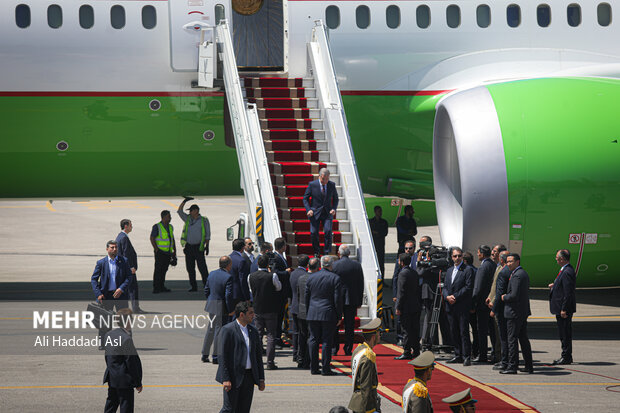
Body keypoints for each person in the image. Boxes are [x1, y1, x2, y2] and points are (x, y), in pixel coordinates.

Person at [216, 301, 265, 413]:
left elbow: (258, 357)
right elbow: (223, 357)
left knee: (244, 409)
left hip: (248, 377)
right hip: (233, 376)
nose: (253, 315)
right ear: (242, 315)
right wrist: (226, 378)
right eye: (251, 313)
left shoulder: (253, 331)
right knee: (228, 409)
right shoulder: (228, 330)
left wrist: (261, 379)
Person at [91, 240, 132, 349]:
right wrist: (98, 293)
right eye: (112, 247)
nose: (114, 249)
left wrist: (121, 289)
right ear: (107, 249)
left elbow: (129, 277)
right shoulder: (101, 263)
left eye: (116, 247)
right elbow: (94, 279)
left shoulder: (124, 261)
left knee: (124, 319)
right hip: (106, 296)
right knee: (104, 320)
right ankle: (102, 343)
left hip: (120, 295)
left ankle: (127, 342)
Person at [305, 255, 342, 375]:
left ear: (321, 265)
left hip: (313, 312)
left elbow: (306, 297)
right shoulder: (335, 278)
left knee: (313, 339)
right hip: (328, 312)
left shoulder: (311, 277)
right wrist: (338, 315)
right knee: (327, 341)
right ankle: (325, 368)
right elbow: (337, 299)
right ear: (331, 265)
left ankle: (314, 367)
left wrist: (308, 311)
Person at [103, 308, 143, 413]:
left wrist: (112, 371)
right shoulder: (126, 339)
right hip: (124, 380)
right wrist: (138, 382)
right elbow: (131, 363)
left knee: (110, 406)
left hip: (112, 378)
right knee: (126, 408)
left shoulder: (109, 335)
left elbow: (107, 357)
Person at [500, 253, 533, 374]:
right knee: (523, 338)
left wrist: (504, 297)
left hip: (514, 312)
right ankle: (528, 365)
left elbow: (514, 295)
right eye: (507, 261)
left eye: (510, 261)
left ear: (517, 262)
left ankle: (512, 366)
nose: (508, 264)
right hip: (521, 312)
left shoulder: (517, 275)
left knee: (512, 339)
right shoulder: (520, 273)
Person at [248, 254, 282, 370]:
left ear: (257, 264)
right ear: (268, 264)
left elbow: (251, 290)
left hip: (257, 308)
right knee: (271, 335)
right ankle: (270, 362)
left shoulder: (251, 276)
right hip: (271, 309)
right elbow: (279, 288)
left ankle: (255, 360)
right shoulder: (272, 275)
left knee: (257, 334)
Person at [443, 247, 474, 366]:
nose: (457, 258)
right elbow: (445, 286)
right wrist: (447, 297)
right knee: (453, 331)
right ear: (451, 257)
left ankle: (466, 356)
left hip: (461, 305)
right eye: (455, 256)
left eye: (459, 256)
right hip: (450, 306)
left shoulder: (467, 270)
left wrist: (454, 297)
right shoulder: (450, 270)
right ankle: (457, 354)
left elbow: (468, 287)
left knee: (463, 332)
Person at [332, 244, 365, 356]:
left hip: (337, 299)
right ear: (349, 253)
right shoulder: (356, 265)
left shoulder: (334, 265)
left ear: (339, 253)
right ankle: (348, 348)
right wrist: (360, 301)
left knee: (335, 324)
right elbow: (360, 284)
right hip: (351, 299)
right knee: (349, 326)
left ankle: (334, 348)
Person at [202, 256, 234, 364]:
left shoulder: (212, 273)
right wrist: (230, 309)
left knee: (210, 330)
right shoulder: (228, 277)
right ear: (228, 265)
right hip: (221, 307)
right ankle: (215, 356)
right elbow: (228, 295)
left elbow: (206, 290)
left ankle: (205, 354)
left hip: (212, 305)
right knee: (218, 331)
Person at [302, 168, 339, 256]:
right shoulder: (312, 185)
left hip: (327, 213)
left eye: (327, 179)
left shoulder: (331, 185)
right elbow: (305, 198)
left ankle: (326, 251)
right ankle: (316, 251)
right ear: (319, 176)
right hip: (315, 213)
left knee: (328, 231)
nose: (325, 181)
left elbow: (336, 199)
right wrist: (309, 209)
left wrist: (334, 208)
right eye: (323, 179)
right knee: (314, 232)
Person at [348, 318, 382, 413]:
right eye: (379, 334)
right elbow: (366, 385)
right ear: (373, 337)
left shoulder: (358, 350)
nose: (380, 337)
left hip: (357, 399)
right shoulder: (368, 357)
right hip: (365, 404)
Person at [549, 249, 576, 365]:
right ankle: (565, 355)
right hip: (561, 307)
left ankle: (566, 357)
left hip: (563, 309)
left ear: (561, 259)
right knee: (563, 333)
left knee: (565, 334)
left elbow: (568, 292)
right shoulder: (565, 270)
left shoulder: (567, 272)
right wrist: (555, 286)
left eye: (557, 257)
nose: (555, 259)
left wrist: (564, 309)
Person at [177, 199, 210, 292]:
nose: (190, 212)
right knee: (190, 268)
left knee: (202, 268)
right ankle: (193, 286)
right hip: (189, 247)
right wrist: (184, 201)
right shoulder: (188, 219)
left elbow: (207, 234)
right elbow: (179, 211)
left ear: (196, 211)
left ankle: (206, 285)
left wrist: (207, 246)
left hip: (199, 247)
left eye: (191, 210)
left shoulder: (204, 220)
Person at [395, 254, 422, 360]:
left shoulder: (403, 273)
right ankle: (416, 350)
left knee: (406, 329)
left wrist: (398, 306)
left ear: (401, 262)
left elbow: (401, 292)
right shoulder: (414, 272)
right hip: (415, 305)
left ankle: (406, 351)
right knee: (415, 329)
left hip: (406, 306)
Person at [471, 245, 495, 363]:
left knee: (481, 330)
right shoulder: (493, 264)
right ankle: (494, 353)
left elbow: (478, 288)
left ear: (481, 253)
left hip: (482, 304)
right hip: (490, 302)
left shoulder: (483, 267)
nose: (477, 254)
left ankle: (482, 355)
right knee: (491, 330)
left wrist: (473, 302)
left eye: (478, 252)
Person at [116, 219, 144, 314]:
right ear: (126, 226)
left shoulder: (121, 236)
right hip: (127, 268)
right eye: (131, 225)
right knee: (133, 289)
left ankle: (128, 308)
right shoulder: (124, 238)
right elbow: (126, 254)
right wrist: (131, 267)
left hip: (123, 267)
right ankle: (135, 308)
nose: (132, 227)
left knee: (128, 289)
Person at [296, 257, 319, 369]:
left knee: (302, 336)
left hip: (301, 310)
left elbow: (299, 294)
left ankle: (301, 359)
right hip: (312, 311)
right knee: (312, 337)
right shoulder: (316, 278)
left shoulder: (301, 278)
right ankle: (308, 360)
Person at [489, 251, 511, 371]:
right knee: (500, 335)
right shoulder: (500, 269)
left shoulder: (504, 272)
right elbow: (494, 286)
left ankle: (504, 359)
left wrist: (494, 307)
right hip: (498, 304)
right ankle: (502, 358)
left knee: (503, 336)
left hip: (501, 308)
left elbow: (500, 291)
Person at [486, 244, 507, 363]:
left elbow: (500, 289)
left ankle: (501, 358)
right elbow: (493, 286)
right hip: (492, 302)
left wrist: (493, 302)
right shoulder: (497, 266)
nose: (492, 253)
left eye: (495, 251)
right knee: (495, 333)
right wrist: (489, 297)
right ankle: (497, 354)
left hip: (498, 305)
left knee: (500, 334)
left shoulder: (504, 269)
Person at [392, 239, 416, 346]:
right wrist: (395, 294)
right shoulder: (400, 259)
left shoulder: (416, 259)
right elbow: (395, 278)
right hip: (401, 294)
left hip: (412, 295)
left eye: (410, 248)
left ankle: (411, 339)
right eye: (406, 248)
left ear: (414, 249)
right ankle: (400, 337)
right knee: (400, 318)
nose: (407, 250)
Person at [272, 237, 293, 348]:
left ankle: (278, 337)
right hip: (279, 293)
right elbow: (275, 273)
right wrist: (286, 272)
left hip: (283, 292)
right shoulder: (276, 257)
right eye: (285, 245)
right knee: (279, 316)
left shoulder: (281, 257)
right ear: (282, 246)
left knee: (281, 316)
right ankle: (277, 338)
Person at [150, 210, 176, 293]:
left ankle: (161, 286)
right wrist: (156, 249)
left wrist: (174, 251)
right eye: (169, 216)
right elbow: (152, 238)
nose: (170, 218)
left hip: (168, 252)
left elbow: (172, 239)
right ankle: (156, 287)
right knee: (158, 270)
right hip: (160, 252)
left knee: (164, 270)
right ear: (164, 217)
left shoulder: (170, 227)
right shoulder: (157, 226)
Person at [290, 254, 309, 363]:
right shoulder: (305, 275)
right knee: (303, 333)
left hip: (294, 305)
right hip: (302, 307)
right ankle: (301, 355)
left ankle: (295, 354)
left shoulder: (292, 274)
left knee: (296, 331)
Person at [230, 239, 252, 305]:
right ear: (243, 248)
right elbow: (242, 280)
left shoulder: (228, 257)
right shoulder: (241, 261)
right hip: (238, 294)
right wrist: (247, 297)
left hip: (229, 292)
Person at [369, 205, 389, 276]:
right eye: (379, 211)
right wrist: (378, 233)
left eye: (381, 211)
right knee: (372, 262)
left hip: (381, 244)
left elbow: (385, 233)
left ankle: (382, 279)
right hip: (373, 244)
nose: (380, 213)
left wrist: (377, 233)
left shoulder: (384, 222)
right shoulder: (370, 221)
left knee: (381, 263)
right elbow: (370, 232)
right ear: (375, 212)